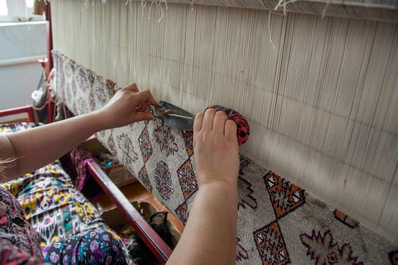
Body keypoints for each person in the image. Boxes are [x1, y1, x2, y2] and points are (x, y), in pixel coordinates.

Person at [0, 83, 239, 265]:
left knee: (104, 246)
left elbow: (11, 152)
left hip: (32, 247)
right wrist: (217, 183)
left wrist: (101, 117)